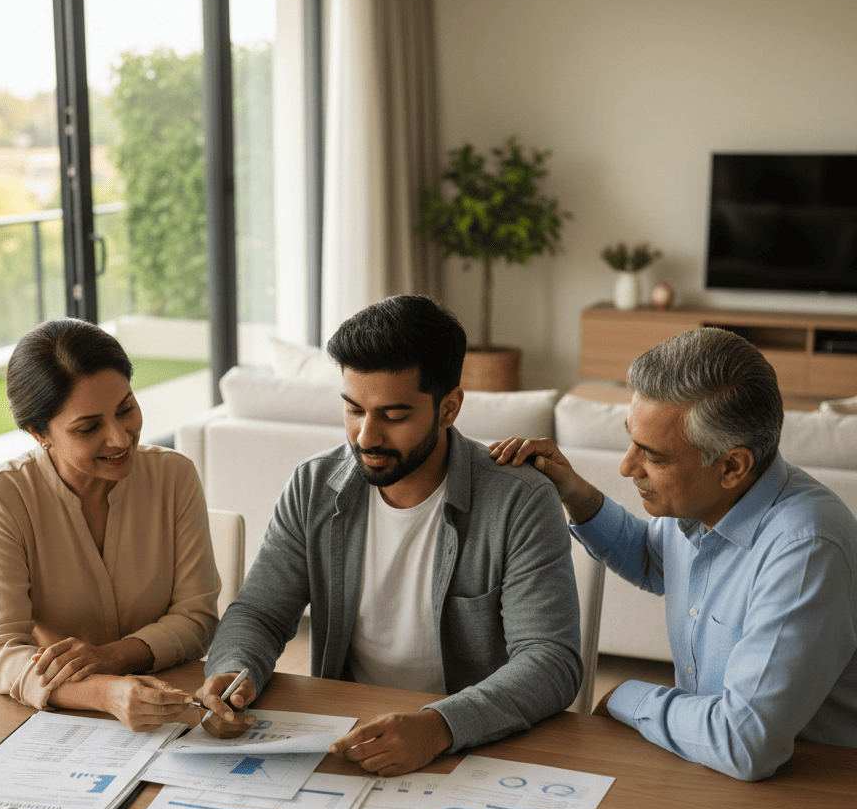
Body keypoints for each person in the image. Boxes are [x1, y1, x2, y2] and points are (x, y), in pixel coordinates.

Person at [195, 295, 582, 776]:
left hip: (474, 743)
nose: (365, 437)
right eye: (353, 409)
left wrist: (439, 725)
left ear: (449, 408)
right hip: (351, 740)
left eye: (393, 416)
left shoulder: (518, 500)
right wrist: (232, 670)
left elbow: (551, 661)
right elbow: (260, 610)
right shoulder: (314, 486)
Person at [492, 327, 857, 781]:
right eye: (630, 440)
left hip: (812, 787)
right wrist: (576, 493)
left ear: (731, 466)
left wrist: (626, 696)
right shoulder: (700, 503)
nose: (626, 467)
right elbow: (654, 560)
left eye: (653, 457)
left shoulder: (806, 549)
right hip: (707, 764)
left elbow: (744, 741)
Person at [0, 318, 219, 731]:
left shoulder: (175, 476)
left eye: (126, 410)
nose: (120, 438)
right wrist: (103, 692)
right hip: (60, 715)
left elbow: (197, 617)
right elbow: (0, 651)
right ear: (38, 433)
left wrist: (113, 657)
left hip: (171, 704)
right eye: (88, 428)